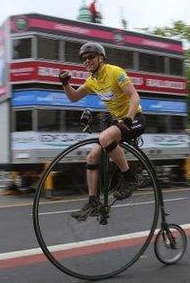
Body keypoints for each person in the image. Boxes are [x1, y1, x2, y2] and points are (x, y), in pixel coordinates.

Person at [58, 42, 145, 220]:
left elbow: (134, 96)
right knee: (91, 156)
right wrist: (65, 83)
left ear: (101, 58)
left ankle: (130, 178)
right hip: (118, 124)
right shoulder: (92, 81)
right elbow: (74, 97)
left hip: (134, 119)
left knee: (105, 137)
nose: (87, 61)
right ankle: (93, 202)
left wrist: (128, 118)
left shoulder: (115, 72)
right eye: (84, 59)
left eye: (91, 57)